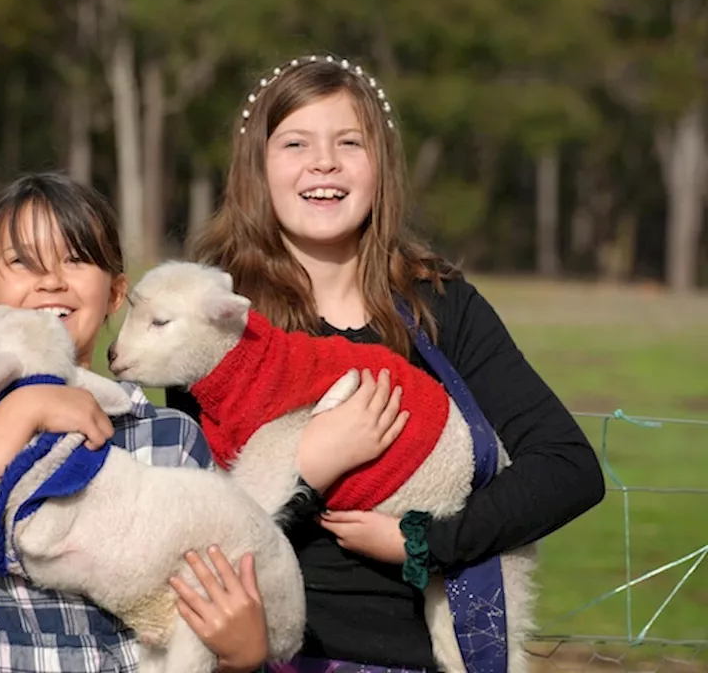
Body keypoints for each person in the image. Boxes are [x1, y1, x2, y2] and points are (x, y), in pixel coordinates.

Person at [168, 54, 606, 671]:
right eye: (295, 142)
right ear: (257, 168)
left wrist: (424, 543)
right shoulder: (217, 320)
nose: (324, 161)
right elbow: (202, 528)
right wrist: (312, 463)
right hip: (272, 654)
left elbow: (568, 468)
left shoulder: (439, 306)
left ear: (381, 169)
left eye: (350, 142)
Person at [0, 172, 289, 673]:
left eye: (76, 259)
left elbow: (208, 604)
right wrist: (26, 410)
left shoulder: (165, 437)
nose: (52, 280)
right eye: (22, 261)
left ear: (115, 293)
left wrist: (243, 657)